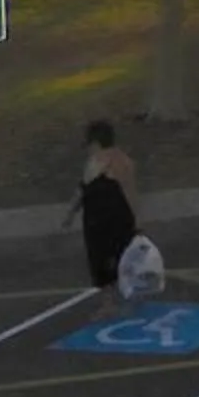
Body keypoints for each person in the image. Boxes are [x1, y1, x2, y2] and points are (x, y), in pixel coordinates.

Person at [70, 119, 139, 294]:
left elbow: (82, 190)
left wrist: (70, 214)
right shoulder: (125, 160)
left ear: (95, 143)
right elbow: (130, 191)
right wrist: (136, 219)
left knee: (100, 262)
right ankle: (130, 297)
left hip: (98, 221)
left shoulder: (95, 162)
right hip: (122, 218)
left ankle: (108, 304)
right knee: (124, 258)